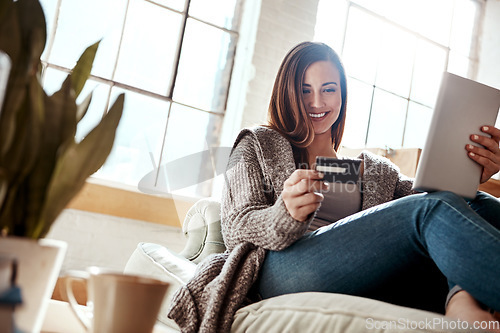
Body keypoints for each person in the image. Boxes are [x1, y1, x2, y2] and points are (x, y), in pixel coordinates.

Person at [168, 41, 500, 333]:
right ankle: (463, 299)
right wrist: (283, 215)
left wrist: (470, 172)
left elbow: (431, 198)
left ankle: (462, 300)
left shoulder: (374, 172)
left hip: (363, 273)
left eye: (328, 89)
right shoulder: (257, 144)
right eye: (304, 89)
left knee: (479, 203)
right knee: (434, 210)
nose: (316, 102)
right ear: (287, 92)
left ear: (341, 94)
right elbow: (237, 226)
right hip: (283, 269)